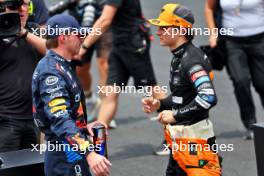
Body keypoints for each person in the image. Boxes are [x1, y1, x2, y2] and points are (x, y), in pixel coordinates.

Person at [143, 4, 221, 175]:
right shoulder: (179, 57)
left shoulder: (191, 61)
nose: (158, 32)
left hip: (197, 145)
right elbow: (181, 96)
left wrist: (176, 115)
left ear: (179, 30)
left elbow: (208, 97)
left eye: (164, 28)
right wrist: (160, 104)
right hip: (181, 143)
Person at [32, 14, 111, 176]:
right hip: (63, 155)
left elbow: (67, 113)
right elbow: (60, 118)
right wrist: (89, 153)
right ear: (63, 37)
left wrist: (83, 125)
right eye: (79, 34)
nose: (82, 39)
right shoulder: (51, 72)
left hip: (71, 149)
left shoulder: (62, 64)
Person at [205, 0, 264, 139]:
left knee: (262, 82)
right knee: (240, 81)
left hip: (260, 39)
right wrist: (213, 34)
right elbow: (209, 8)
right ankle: (250, 124)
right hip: (232, 42)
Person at [0, 0, 46, 153]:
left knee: (31, 169)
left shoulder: (33, 31)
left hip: (33, 118)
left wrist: (24, 33)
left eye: (25, 4)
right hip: (5, 120)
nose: (21, 10)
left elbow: (54, 53)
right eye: (14, 6)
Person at [70, 0, 113, 124]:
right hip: (80, 19)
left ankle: (106, 110)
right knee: (80, 68)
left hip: (105, 20)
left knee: (105, 65)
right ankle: (90, 98)